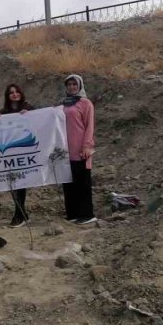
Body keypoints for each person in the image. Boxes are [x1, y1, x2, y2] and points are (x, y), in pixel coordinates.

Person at [0, 84, 35, 228]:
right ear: (7, 96)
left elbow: (40, 122)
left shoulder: (28, 108)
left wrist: (30, 115)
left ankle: (19, 215)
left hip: (24, 152)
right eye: (11, 92)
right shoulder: (4, 112)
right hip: (9, 153)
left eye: (17, 91)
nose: (14, 94)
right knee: (13, 184)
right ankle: (22, 214)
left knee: (21, 183)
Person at [61, 74, 97, 225]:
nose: (71, 87)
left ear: (80, 86)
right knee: (69, 183)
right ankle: (73, 214)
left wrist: (87, 146)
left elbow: (89, 125)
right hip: (65, 150)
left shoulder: (85, 103)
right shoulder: (62, 105)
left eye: (74, 84)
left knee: (83, 183)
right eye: (69, 85)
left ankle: (87, 214)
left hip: (80, 149)